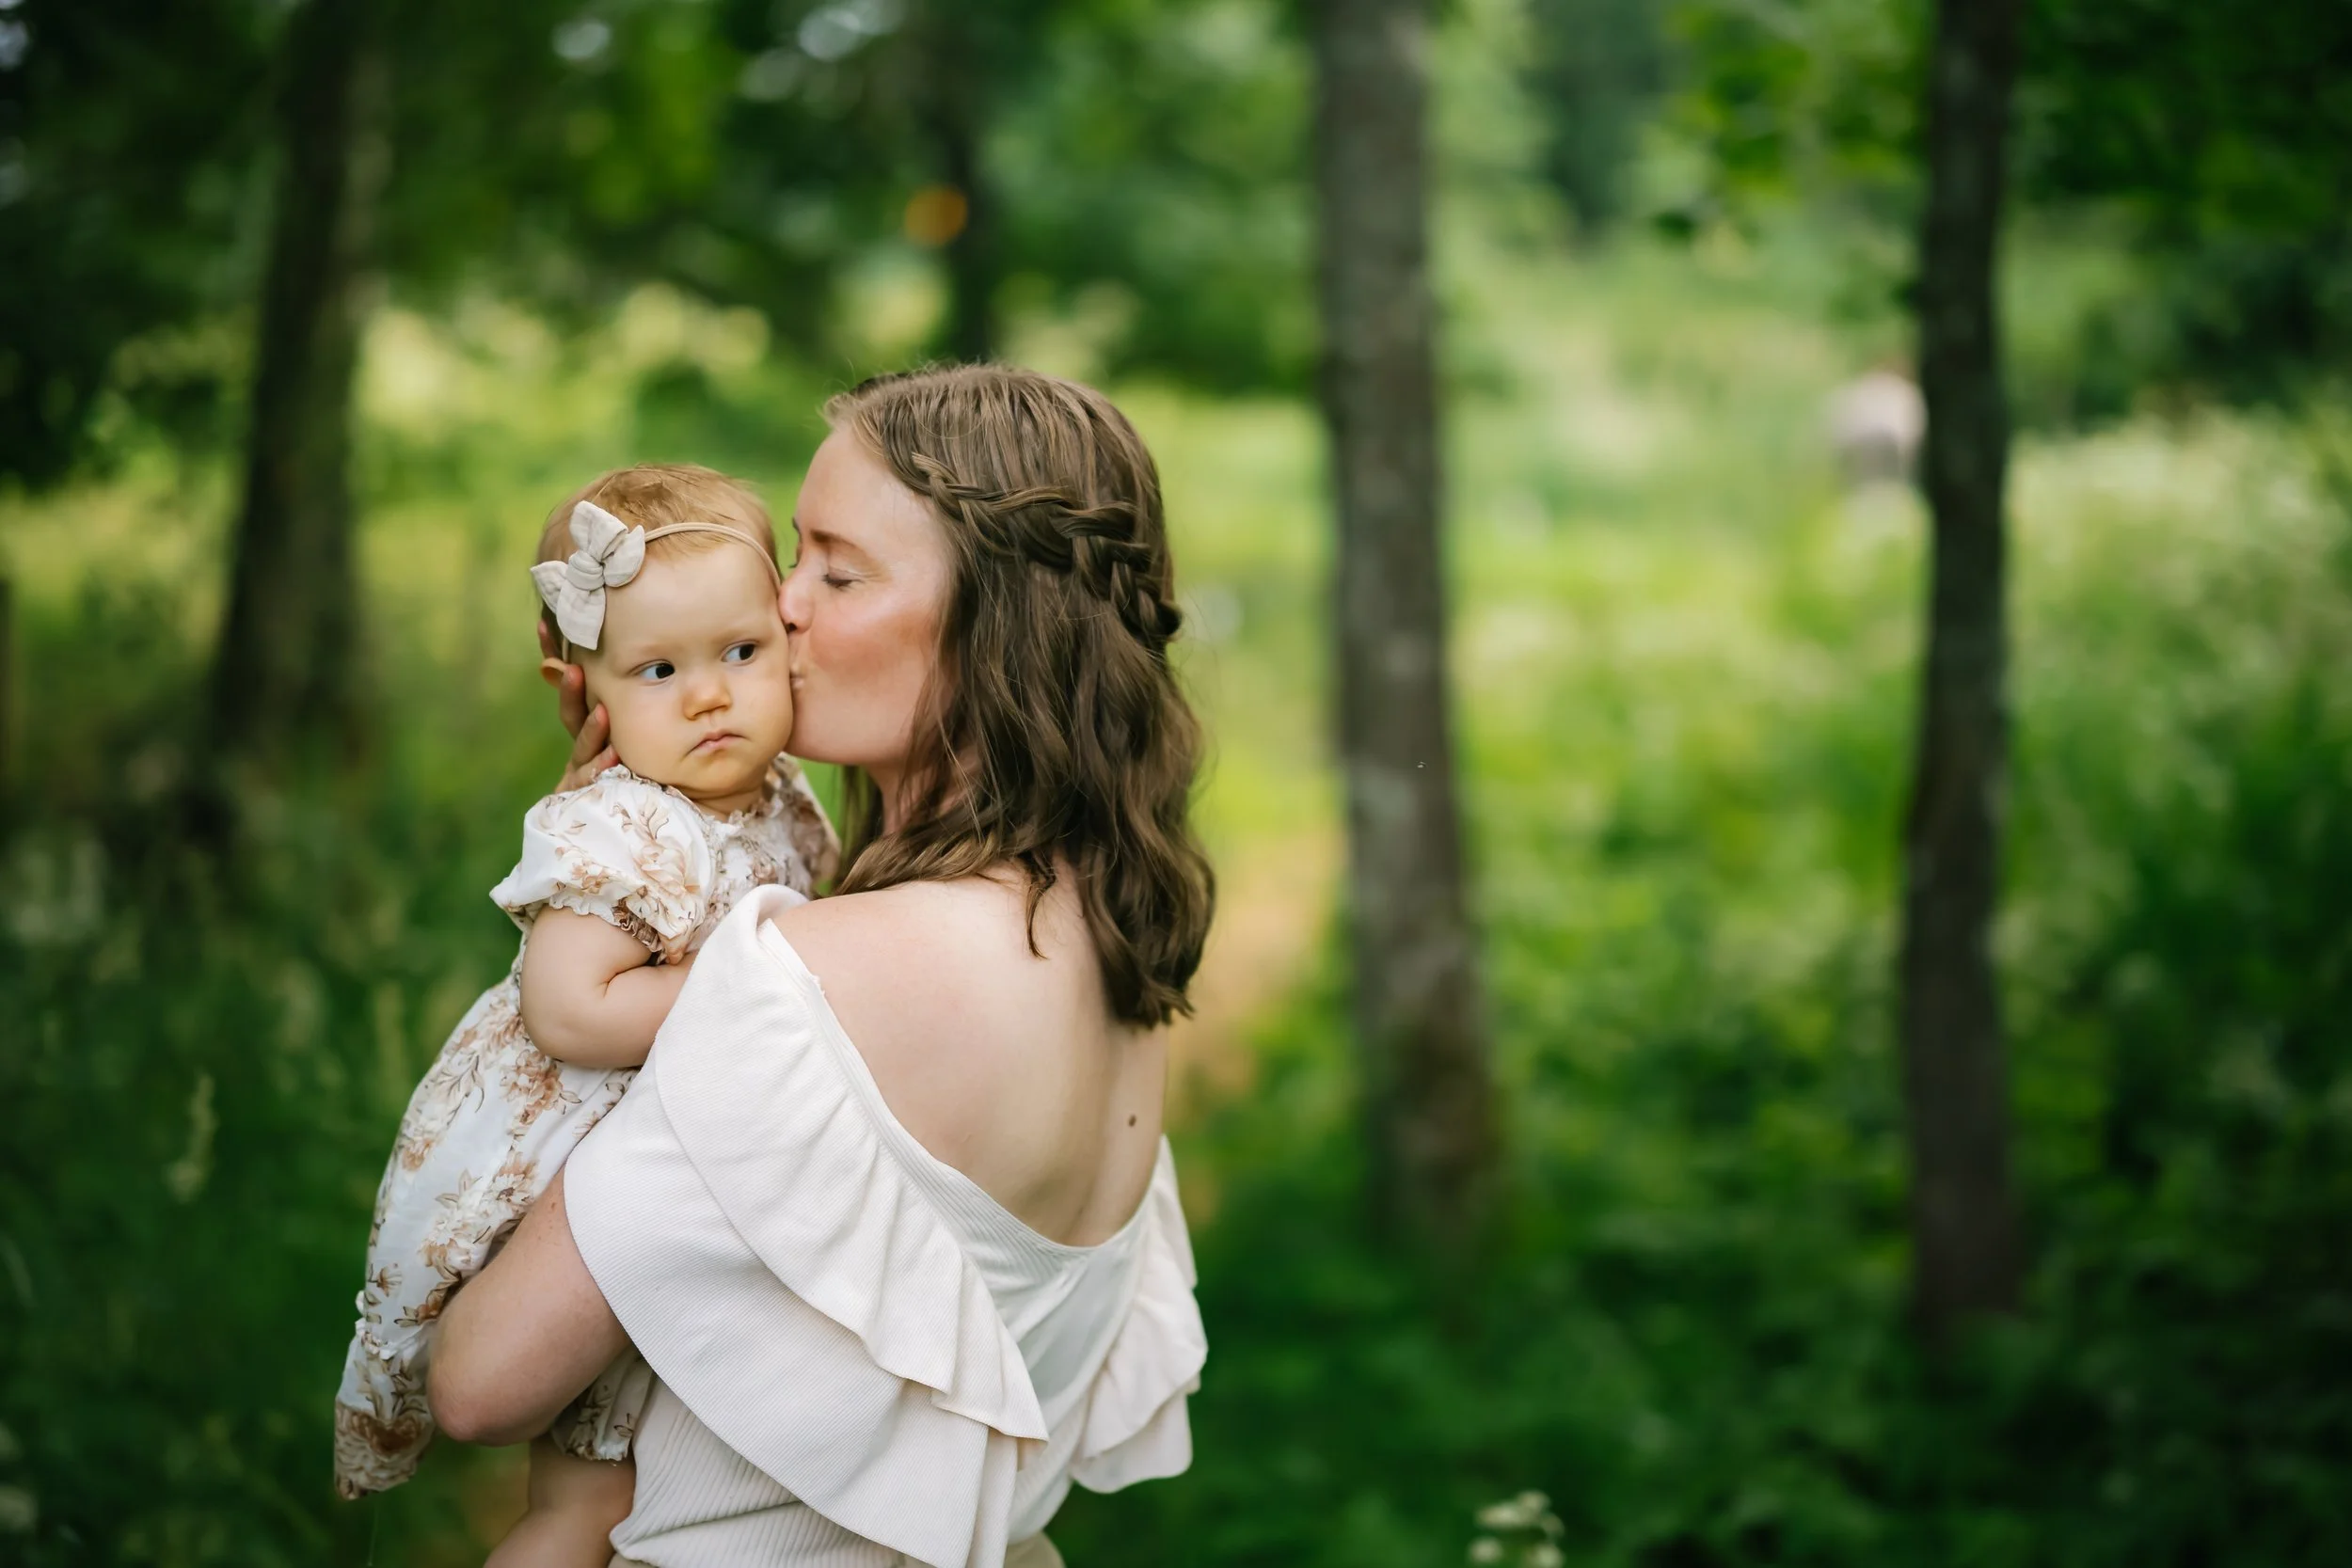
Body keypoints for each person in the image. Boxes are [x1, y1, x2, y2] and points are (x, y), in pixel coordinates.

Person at [429, 366, 1214, 1566]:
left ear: (999, 623)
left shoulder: (821, 968)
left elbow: (481, 1383)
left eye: (838, 571)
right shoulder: (1111, 954)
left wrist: (611, 867)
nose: (780, 603)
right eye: (791, 553)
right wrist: (665, 816)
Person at [334, 465, 837, 1568]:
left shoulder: (781, 796)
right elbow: (570, 1010)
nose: (710, 695)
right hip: (571, 1174)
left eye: (740, 653)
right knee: (582, 1507)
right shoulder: (617, 820)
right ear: (586, 689)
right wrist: (771, 979)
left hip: (680, 1178)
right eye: (660, 669)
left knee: (657, 1490)